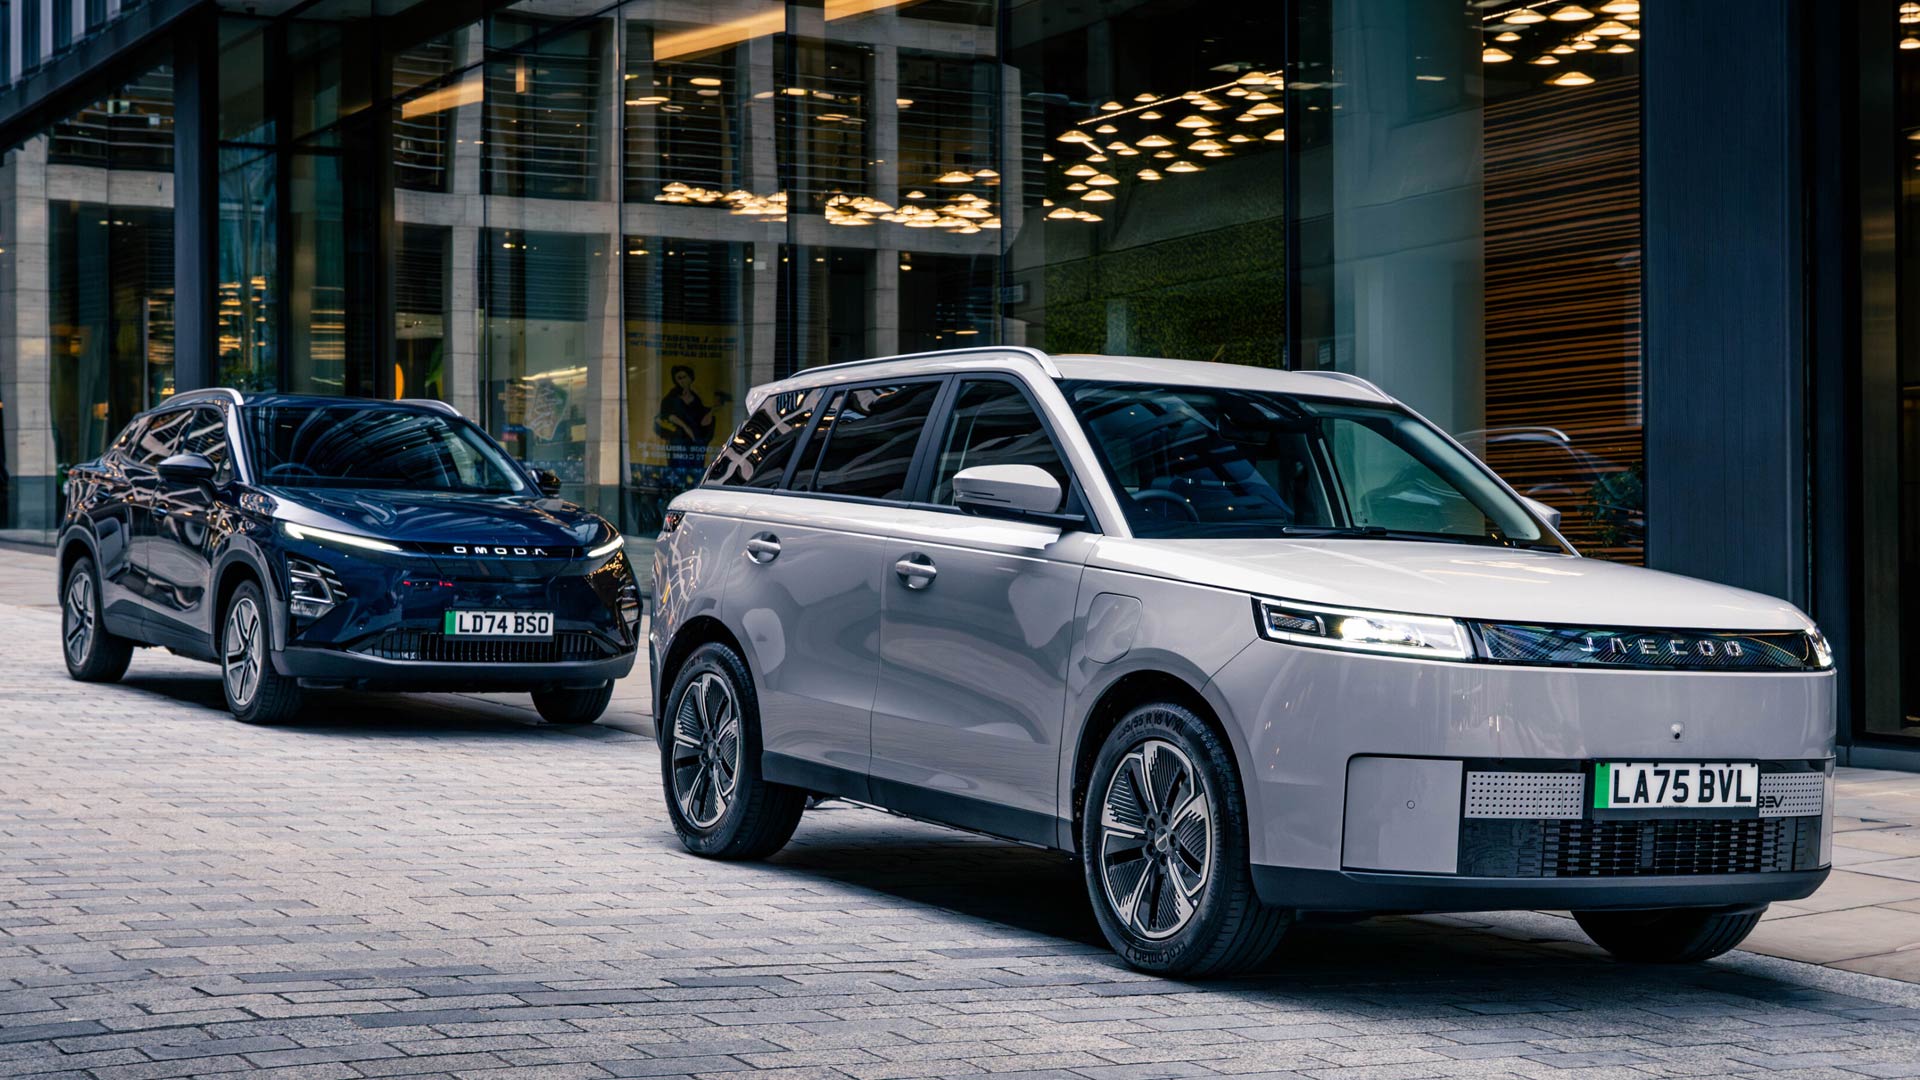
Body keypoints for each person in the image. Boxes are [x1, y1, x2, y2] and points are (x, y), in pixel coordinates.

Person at [655, 366, 729, 447]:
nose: (682, 381)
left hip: (693, 443)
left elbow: (701, 418)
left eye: (684, 377)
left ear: (690, 378)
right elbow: (665, 416)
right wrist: (685, 427)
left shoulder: (696, 399)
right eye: (679, 378)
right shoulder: (671, 398)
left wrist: (713, 410)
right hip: (677, 442)